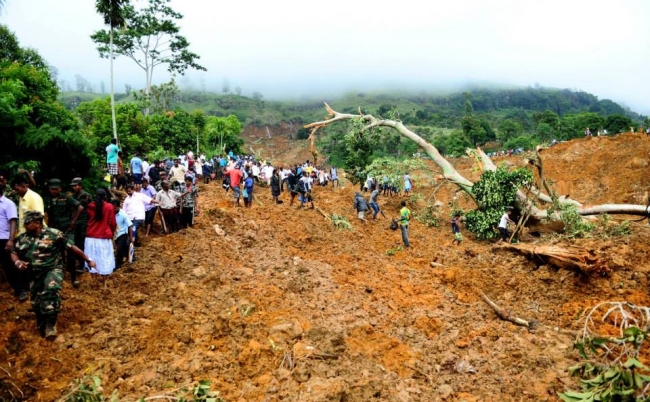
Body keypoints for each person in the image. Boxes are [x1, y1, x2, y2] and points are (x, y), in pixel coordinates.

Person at [11, 211, 96, 339]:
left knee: (50, 290)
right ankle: (41, 322)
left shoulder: (54, 234)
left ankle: (51, 324)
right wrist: (17, 262)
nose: (25, 225)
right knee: (36, 302)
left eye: (28, 223)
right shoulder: (23, 238)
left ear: (38, 223)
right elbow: (13, 252)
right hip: (35, 273)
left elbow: (72, 247)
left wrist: (88, 260)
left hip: (53, 269)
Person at [45, 179, 84, 288]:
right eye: (52, 189)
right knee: (58, 254)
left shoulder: (66, 198)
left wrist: (73, 221)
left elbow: (80, 207)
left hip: (68, 229)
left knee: (71, 252)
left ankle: (74, 278)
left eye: (56, 189)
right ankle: (60, 277)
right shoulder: (48, 200)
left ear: (60, 189)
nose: (54, 191)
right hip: (55, 230)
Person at [0, 176, 27, 301]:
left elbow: (13, 222)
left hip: (4, 239)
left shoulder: (8, 203)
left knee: (9, 266)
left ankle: (20, 290)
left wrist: (11, 239)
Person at [84, 189, 117, 277]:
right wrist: (112, 233)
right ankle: (104, 283)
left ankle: (94, 282)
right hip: (103, 237)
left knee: (92, 260)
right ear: (105, 197)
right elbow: (113, 223)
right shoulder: (109, 206)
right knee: (105, 260)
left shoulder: (90, 206)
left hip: (90, 238)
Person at [70, 178, 92, 276]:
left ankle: (83, 264)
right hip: (75, 222)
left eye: (76, 185)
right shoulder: (73, 196)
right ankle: (78, 264)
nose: (74, 187)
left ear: (80, 185)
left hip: (83, 221)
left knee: (83, 243)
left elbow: (91, 209)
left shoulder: (86, 196)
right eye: (73, 186)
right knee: (76, 243)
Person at [111, 199, 134, 269]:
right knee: (124, 247)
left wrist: (131, 237)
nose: (113, 210)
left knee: (119, 249)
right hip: (113, 234)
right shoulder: (110, 213)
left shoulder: (123, 214)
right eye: (112, 208)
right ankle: (130, 256)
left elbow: (130, 226)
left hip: (122, 233)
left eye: (115, 208)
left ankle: (118, 264)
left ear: (119, 207)